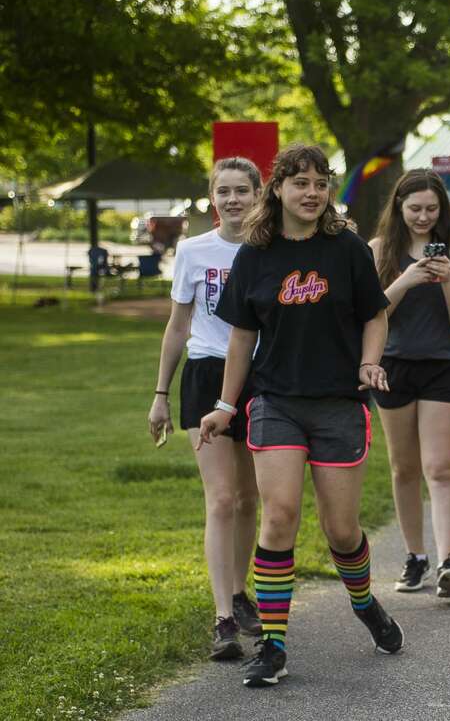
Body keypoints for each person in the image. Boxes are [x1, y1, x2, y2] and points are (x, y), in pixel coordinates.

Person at [197, 144, 403, 688]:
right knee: (280, 514)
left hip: (339, 403)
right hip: (275, 403)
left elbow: (375, 316)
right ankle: (274, 646)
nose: (312, 192)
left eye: (320, 183)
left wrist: (368, 363)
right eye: (300, 183)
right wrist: (223, 406)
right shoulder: (257, 255)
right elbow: (242, 338)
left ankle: (364, 604)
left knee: (341, 530)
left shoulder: (348, 249)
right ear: (279, 189)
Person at [148, 157, 263, 661]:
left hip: (263, 380)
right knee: (219, 499)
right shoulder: (193, 251)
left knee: (248, 499)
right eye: (225, 191)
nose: (233, 199)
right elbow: (178, 326)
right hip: (204, 376)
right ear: (212, 198)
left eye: (243, 190)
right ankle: (222, 618)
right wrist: (159, 394)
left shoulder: (271, 249)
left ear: (260, 194)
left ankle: (241, 592)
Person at [369, 169, 450, 597]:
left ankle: (447, 561)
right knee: (404, 468)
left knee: (440, 466)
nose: (422, 216)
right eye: (414, 208)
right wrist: (407, 278)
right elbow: (371, 314)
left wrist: (448, 277)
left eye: (431, 209)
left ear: (442, 210)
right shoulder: (380, 250)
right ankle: (415, 556)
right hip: (392, 366)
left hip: (442, 365)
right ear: (398, 207)